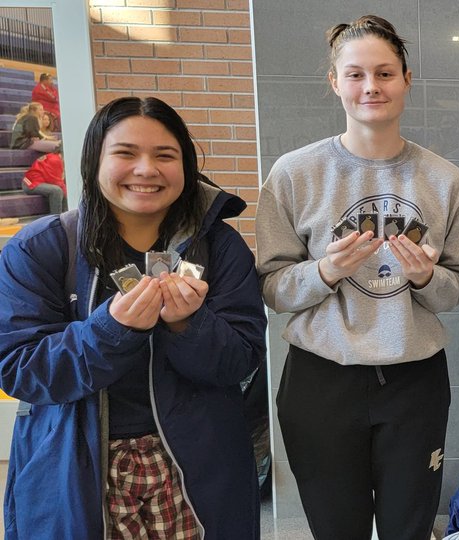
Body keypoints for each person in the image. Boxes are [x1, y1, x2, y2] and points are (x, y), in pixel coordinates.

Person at [0, 96, 266, 538]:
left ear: (186, 164)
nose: (146, 170)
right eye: (125, 154)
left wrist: (189, 325)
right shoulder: (40, 249)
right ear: (94, 160)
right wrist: (110, 330)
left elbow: (242, 360)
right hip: (78, 468)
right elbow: (20, 370)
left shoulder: (220, 248)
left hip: (197, 469)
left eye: (165, 155)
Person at [255, 15, 459, 540]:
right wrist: (326, 271)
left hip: (412, 381)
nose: (371, 87)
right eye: (355, 75)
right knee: (336, 530)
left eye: (384, 73)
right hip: (320, 380)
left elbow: (456, 287)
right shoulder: (294, 173)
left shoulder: (444, 179)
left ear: (406, 78)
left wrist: (425, 279)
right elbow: (272, 288)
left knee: (409, 527)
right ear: (335, 82)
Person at [21, 147, 65, 215]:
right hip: (31, 184)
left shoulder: (55, 157)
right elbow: (56, 182)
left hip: (40, 182)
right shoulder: (56, 160)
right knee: (57, 191)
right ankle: (56, 218)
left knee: (61, 190)